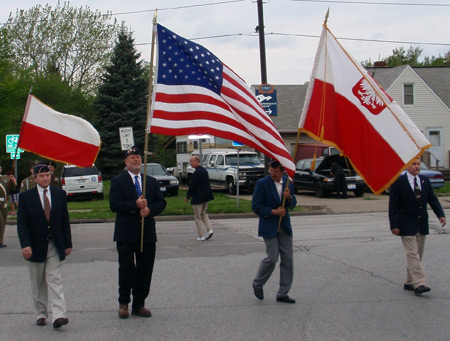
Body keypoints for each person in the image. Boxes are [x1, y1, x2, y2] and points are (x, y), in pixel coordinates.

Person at [109, 146, 167, 319]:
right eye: (132, 157)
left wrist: (149, 210)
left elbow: (161, 203)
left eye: (138, 157)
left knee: (145, 269)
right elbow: (114, 205)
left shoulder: (150, 181)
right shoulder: (118, 181)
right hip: (126, 233)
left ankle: (139, 303)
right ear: (126, 162)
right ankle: (124, 303)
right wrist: (134, 205)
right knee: (127, 269)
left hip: (146, 233)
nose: (136, 160)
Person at [17, 164, 72, 328]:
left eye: (47, 175)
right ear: (35, 179)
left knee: (55, 279)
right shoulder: (27, 197)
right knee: (38, 282)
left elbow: (64, 220)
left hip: (54, 244)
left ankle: (59, 315)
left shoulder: (59, 194)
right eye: (41, 176)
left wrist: (67, 243)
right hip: (34, 245)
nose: (45, 178)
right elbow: (22, 223)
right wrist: (25, 244)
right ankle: (40, 313)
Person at [389, 158, 446, 296]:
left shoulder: (424, 181)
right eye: (413, 164)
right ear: (407, 166)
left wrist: (440, 214)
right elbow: (393, 205)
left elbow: (432, 199)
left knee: (418, 254)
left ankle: (409, 282)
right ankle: (419, 283)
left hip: (421, 223)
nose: (416, 167)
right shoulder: (399, 182)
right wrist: (394, 224)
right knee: (412, 254)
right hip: (406, 223)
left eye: (418, 164)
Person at [252, 160, 297, 304]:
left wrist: (289, 197)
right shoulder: (262, 184)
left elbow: (293, 204)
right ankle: (258, 283)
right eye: (271, 170)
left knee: (288, 259)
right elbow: (256, 206)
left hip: (284, 226)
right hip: (269, 226)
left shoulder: (288, 182)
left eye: (275, 171)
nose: (272, 173)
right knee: (272, 257)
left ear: (282, 171)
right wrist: (273, 212)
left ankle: (283, 292)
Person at [185, 155, 214, 241]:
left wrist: (188, 196)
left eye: (192, 161)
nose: (191, 163)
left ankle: (201, 235)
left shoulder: (196, 173)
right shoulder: (204, 171)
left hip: (198, 198)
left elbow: (193, 186)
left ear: (197, 161)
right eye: (190, 161)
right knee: (204, 213)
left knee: (197, 217)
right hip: (206, 196)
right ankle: (210, 229)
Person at [0, 165, 17, 248]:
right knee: (1, 221)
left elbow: (12, 189)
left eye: (0, 168)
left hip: (4, 203)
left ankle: (0, 241)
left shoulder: (5, 178)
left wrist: (13, 181)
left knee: (3, 222)